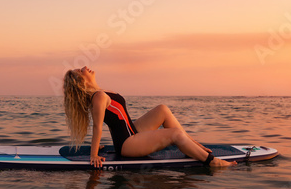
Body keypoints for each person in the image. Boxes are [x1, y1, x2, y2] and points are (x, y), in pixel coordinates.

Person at [63, 66, 237, 168]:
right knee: (174, 133)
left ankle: (193, 143)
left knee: (162, 109)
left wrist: (98, 145)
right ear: (81, 81)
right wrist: (94, 154)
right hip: (127, 143)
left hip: (133, 130)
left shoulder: (102, 92)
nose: (85, 68)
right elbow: (97, 126)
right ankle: (212, 162)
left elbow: (115, 119)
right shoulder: (98, 97)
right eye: (81, 70)